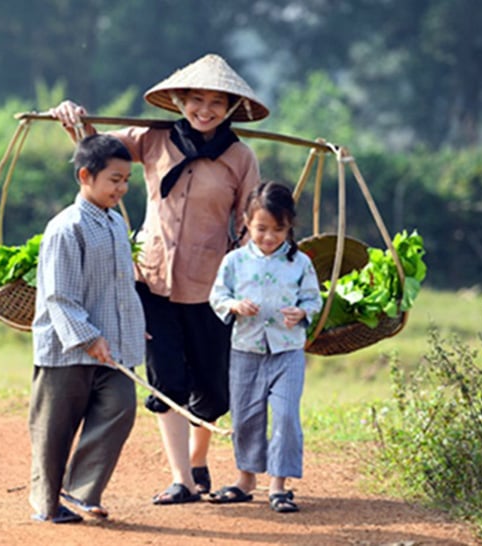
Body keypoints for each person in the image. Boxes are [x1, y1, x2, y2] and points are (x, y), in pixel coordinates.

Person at [50, 53, 269, 504]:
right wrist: (72, 117)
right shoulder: (152, 140)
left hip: (212, 287)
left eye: (215, 103)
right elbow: (97, 149)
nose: (204, 111)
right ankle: (182, 479)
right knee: (165, 378)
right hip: (151, 281)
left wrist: (259, 268)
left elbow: (251, 221)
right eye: (195, 100)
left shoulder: (239, 157)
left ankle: (198, 458)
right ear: (179, 100)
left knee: (211, 384)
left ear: (229, 108)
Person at [29, 134, 146, 523]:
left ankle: (80, 491)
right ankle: (47, 505)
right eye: (114, 179)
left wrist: (132, 327)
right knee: (54, 431)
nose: (122, 188)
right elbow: (59, 297)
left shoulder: (115, 224)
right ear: (85, 175)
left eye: (126, 179)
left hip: (110, 349)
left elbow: (119, 286)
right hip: (66, 351)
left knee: (121, 408)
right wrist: (88, 337)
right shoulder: (66, 228)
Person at [208, 181, 322, 514]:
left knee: (286, 416)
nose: (269, 237)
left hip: (288, 351)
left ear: (290, 227)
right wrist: (234, 306)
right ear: (245, 221)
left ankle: (279, 486)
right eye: (261, 228)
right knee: (246, 416)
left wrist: (302, 312)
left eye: (278, 229)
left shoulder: (300, 263)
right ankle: (245, 480)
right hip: (245, 349)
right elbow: (217, 295)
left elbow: (314, 300)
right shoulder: (235, 261)